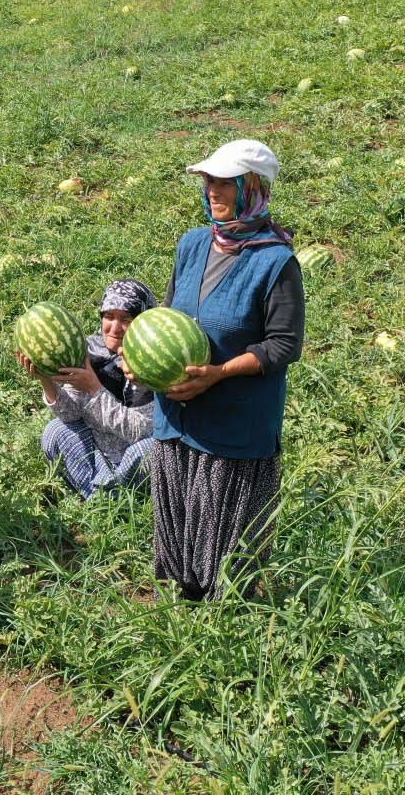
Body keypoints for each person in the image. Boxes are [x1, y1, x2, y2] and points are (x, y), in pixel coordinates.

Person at [129, 139, 304, 601]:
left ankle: (231, 637)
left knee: (227, 564)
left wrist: (219, 372)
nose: (212, 190)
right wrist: (140, 359)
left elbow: (283, 345)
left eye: (225, 182)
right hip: (177, 422)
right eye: (209, 180)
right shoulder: (192, 244)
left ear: (254, 188)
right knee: (181, 546)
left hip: (234, 428)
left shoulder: (275, 261)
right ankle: (185, 623)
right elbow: (166, 315)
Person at [21, 279, 159, 498]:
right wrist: (45, 379)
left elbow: (138, 431)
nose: (115, 327)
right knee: (56, 431)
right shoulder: (89, 352)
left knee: (152, 450)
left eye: (126, 319)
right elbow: (71, 414)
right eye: (109, 316)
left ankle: (104, 497)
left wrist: (93, 388)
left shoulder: (156, 361)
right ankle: (103, 496)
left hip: (133, 460)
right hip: (98, 456)